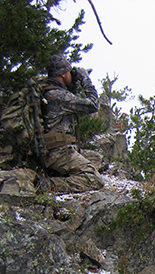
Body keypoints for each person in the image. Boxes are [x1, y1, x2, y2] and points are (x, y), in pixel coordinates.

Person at [36, 54, 104, 193]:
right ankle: (49, 184)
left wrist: (72, 84)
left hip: (59, 149)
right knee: (94, 179)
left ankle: (61, 174)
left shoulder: (50, 91)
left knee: (96, 158)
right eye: (69, 72)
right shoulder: (58, 95)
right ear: (63, 74)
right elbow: (93, 105)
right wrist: (85, 79)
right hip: (57, 152)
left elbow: (72, 100)